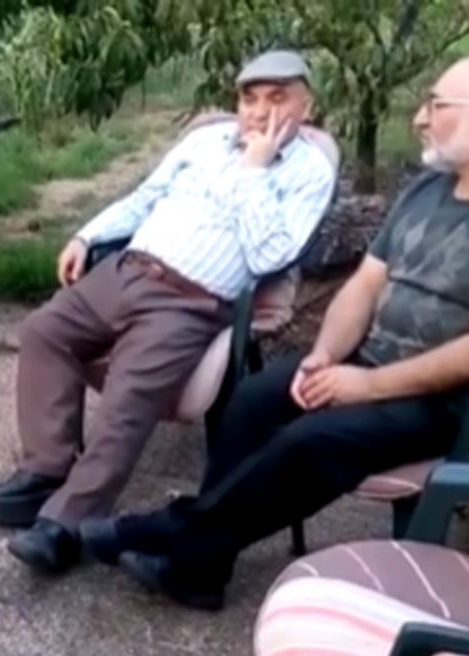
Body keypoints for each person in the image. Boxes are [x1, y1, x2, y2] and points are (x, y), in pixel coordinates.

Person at [79, 58, 469, 610]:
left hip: (443, 402)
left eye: (437, 105)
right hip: (368, 357)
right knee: (254, 400)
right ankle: (202, 570)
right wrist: (327, 354)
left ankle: (176, 533)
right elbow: (363, 285)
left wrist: (365, 387)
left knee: (307, 441)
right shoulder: (426, 190)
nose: (420, 119)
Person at [0, 49, 336, 573]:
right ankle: (47, 470)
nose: (260, 112)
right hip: (125, 271)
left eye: (277, 98)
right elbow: (145, 197)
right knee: (43, 331)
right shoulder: (204, 141)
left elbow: (270, 258)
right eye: (250, 98)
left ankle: (66, 524)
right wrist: (87, 234)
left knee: (128, 395)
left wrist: (254, 172)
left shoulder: (309, 170)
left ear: (307, 105)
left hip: (188, 302)